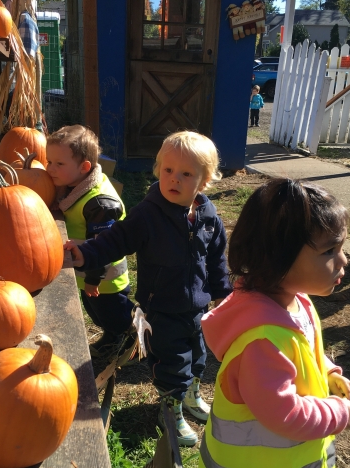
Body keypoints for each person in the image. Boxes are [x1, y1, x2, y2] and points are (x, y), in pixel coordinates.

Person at [198, 178, 350, 468]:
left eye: (340, 248)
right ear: (277, 256)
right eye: (329, 251)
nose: (343, 261)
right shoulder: (262, 341)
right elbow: (284, 413)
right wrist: (338, 413)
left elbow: (306, 349)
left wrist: (328, 374)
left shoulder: (294, 300)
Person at [64, 131, 232, 446]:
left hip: (198, 306)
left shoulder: (208, 216)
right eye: (168, 170)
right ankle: (170, 409)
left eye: (186, 174)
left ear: (204, 181)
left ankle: (191, 396)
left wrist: (222, 292)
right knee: (172, 362)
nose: (174, 179)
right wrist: (86, 252)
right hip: (162, 308)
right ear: (158, 170)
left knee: (198, 355)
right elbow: (116, 240)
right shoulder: (148, 214)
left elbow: (216, 257)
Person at [47, 125, 135, 360]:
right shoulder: (76, 186)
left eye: (59, 164)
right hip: (88, 270)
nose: (50, 169)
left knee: (113, 313)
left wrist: (94, 278)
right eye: (49, 162)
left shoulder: (99, 203)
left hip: (105, 277)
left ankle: (134, 338)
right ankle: (113, 336)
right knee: (98, 314)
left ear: (84, 167)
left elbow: (103, 245)